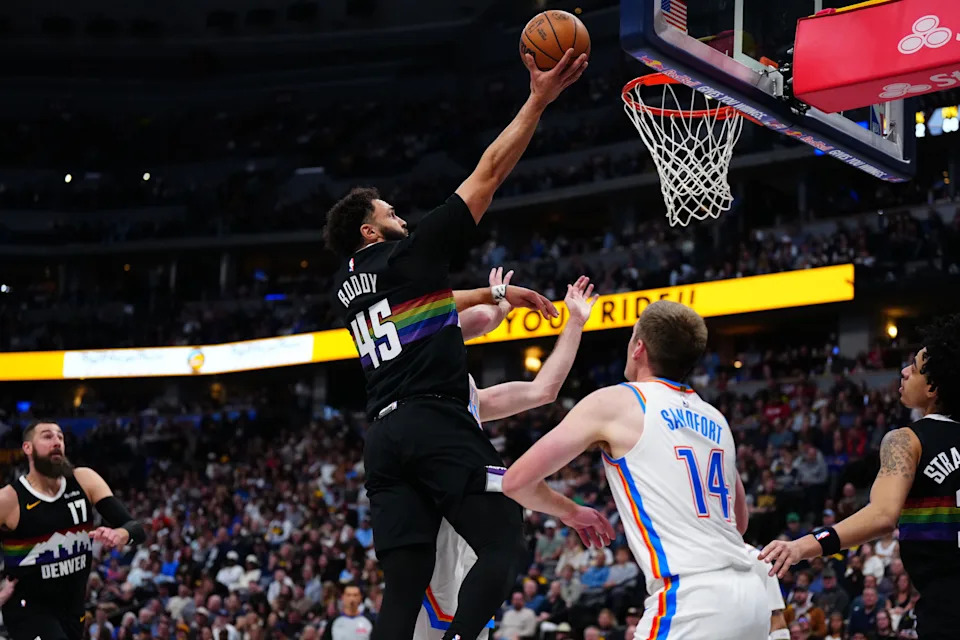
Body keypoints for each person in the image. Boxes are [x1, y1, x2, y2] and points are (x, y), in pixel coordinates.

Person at [324, 47, 588, 640]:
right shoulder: (410, 256)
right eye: (391, 213)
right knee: (501, 534)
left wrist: (496, 299)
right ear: (371, 230)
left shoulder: (345, 291)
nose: (403, 218)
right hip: (433, 421)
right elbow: (488, 173)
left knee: (404, 583)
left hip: (383, 439)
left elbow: (428, 308)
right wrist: (539, 98)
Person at [503, 301, 768, 639]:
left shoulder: (616, 402)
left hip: (692, 600)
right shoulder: (716, 418)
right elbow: (738, 523)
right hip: (750, 596)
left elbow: (516, 481)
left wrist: (570, 512)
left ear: (639, 347)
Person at [414, 274, 599, 640]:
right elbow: (479, 320)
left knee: (470, 616)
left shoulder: (466, 394)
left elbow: (543, 390)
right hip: (432, 506)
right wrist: (500, 301)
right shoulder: (420, 357)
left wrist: (575, 321)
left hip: (465, 512)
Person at [760, 314, 960, 640]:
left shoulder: (906, 439)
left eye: (915, 366)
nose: (905, 371)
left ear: (933, 387)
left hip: (947, 610)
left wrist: (801, 547)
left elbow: (882, 517)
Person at [0, 421, 146, 640]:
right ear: (27, 448)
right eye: (47, 436)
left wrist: (120, 534)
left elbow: (136, 529)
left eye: (60, 436)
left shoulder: (83, 479)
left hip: (74, 608)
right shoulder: (9, 499)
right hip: (28, 609)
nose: (57, 441)